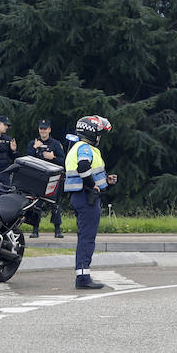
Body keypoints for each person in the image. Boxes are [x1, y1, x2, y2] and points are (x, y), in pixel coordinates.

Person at [64, 115, 115, 289]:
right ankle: (83, 277)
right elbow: (83, 167)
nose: (100, 137)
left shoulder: (79, 147)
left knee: (84, 236)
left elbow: (87, 170)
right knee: (87, 238)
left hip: (81, 196)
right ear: (92, 133)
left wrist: (105, 181)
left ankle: (83, 274)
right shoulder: (84, 148)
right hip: (86, 197)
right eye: (99, 133)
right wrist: (93, 186)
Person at [28, 119, 65, 238]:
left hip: (52, 177)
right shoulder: (33, 143)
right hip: (37, 177)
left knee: (54, 204)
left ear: (49, 130)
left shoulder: (55, 144)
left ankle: (57, 230)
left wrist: (52, 157)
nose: (43, 131)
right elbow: (27, 158)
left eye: (45, 128)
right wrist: (35, 148)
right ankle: (35, 230)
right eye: (41, 128)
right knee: (36, 204)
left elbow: (63, 161)